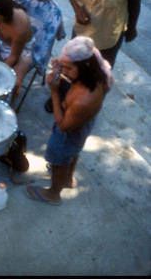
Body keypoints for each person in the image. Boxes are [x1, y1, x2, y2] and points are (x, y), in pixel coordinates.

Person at [25, 36, 114, 206]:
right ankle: (68, 178)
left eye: (68, 68)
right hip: (82, 125)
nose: (63, 72)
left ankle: (53, 193)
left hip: (68, 133)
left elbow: (64, 126)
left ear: (85, 66)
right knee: (72, 152)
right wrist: (64, 64)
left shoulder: (84, 100)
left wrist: (54, 92)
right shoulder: (99, 71)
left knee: (58, 162)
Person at [60, 0, 140, 69]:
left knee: (101, 74)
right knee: (75, 68)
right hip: (81, 32)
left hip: (108, 38)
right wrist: (77, 10)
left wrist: (132, 27)